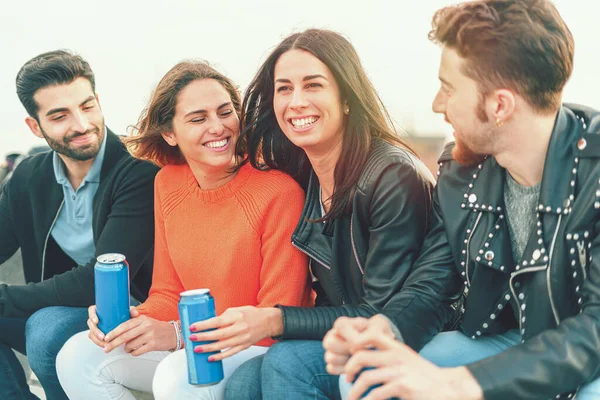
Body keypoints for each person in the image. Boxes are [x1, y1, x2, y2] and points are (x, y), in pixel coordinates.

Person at [323, 1, 600, 399]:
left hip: (588, 355)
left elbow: (594, 330)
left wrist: (459, 384)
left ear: (499, 105)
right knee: (371, 375)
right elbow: (434, 283)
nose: (438, 103)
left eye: (448, 88)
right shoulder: (460, 171)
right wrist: (382, 331)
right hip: (510, 341)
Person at [55, 60, 313, 400]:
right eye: (198, 118)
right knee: (76, 356)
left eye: (225, 112)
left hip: (258, 349)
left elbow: (273, 319)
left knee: (177, 376)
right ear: (169, 133)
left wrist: (177, 335)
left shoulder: (279, 193)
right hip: (197, 340)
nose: (218, 127)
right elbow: (167, 292)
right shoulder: (167, 183)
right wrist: (131, 321)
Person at [224, 28, 437, 400]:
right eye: (284, 88)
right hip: (349, 332)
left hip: (411, 336)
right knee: (243, 382)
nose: (297, 102)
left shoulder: (391, 176)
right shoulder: (304, 176)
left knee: (288, 362)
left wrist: (276, 318)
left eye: (314, 85)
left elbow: (381, 310)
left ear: (347, 98)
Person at [0, 50, 158, 399]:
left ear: (98, 102)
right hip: (62, 309)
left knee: (44, 331)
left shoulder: (137, 175)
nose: (81, 124)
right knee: (45, 323)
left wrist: (4, 298)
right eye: (59, 116)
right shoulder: (28, 177)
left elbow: (98, 282)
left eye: (87, 107)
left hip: (128, 317)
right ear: (35, 126)